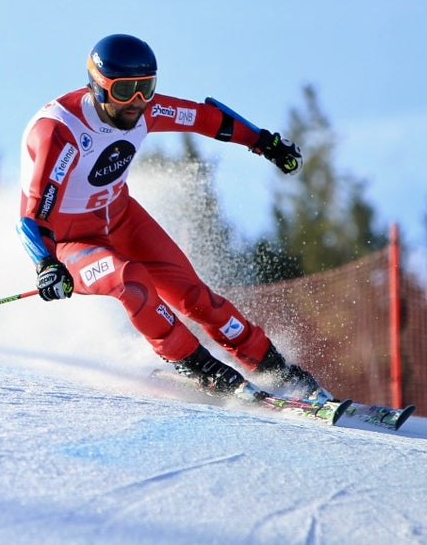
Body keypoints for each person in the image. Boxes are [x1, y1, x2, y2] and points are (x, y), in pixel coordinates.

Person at [17, 33, 332, 404]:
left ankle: (274, 369)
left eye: (146, 88)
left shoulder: (146, 109)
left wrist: (263, 142)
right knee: (130, 280)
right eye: (124, 91)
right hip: (71, 242)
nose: (137, 101)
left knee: (194, 296)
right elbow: (33, 217)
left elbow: (208, 118)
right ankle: (200, 367)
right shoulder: (60, 131)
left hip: (121, 218)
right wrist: (46, 265)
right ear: (98, 87)